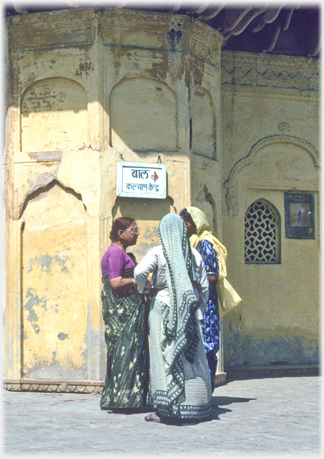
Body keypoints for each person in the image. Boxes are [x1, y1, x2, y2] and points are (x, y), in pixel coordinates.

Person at [134, 213, 212, 424]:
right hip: (188, 311)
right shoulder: (194, 254)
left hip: (162, 308)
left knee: (162, 359)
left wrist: (145, 289)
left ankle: (166, 409)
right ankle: (194, 406)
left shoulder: (158, 252)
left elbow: (139, 272)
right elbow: (204, 288)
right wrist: (199, 312)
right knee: (190, 357)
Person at [100, 217, 149, 410]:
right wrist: (139, 280)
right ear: (121, 233)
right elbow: (115, 282)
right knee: (125, 352)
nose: (137, 233)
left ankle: (134, 398)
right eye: (134, 229)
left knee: (133, 352)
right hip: (122, 314)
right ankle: (123, 399)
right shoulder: (115, 253)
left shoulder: (124, 253)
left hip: (132, 312)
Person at [180, 207, 227, 391]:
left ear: (195, 223)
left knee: (207, 345)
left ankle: (206, 391)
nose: (185, 227)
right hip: (200, 301)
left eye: (187, 223)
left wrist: (189, 277)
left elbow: (212, 276)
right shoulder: (195, 242)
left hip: (207, 304)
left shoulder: (204, 243)